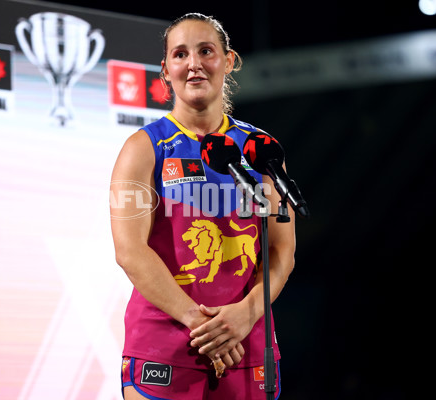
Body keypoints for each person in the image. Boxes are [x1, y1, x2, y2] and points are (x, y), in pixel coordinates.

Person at [110, 12, 296, 399]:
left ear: (228, 61)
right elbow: (129, 252)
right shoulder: (142, 149)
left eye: (206, 51)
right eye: (180, 54)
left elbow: (282, 249)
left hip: (249, 343)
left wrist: (246, 313)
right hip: (163, 345)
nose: (193, 64)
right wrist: (206, 326)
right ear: (166, 70)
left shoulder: (262, 149)